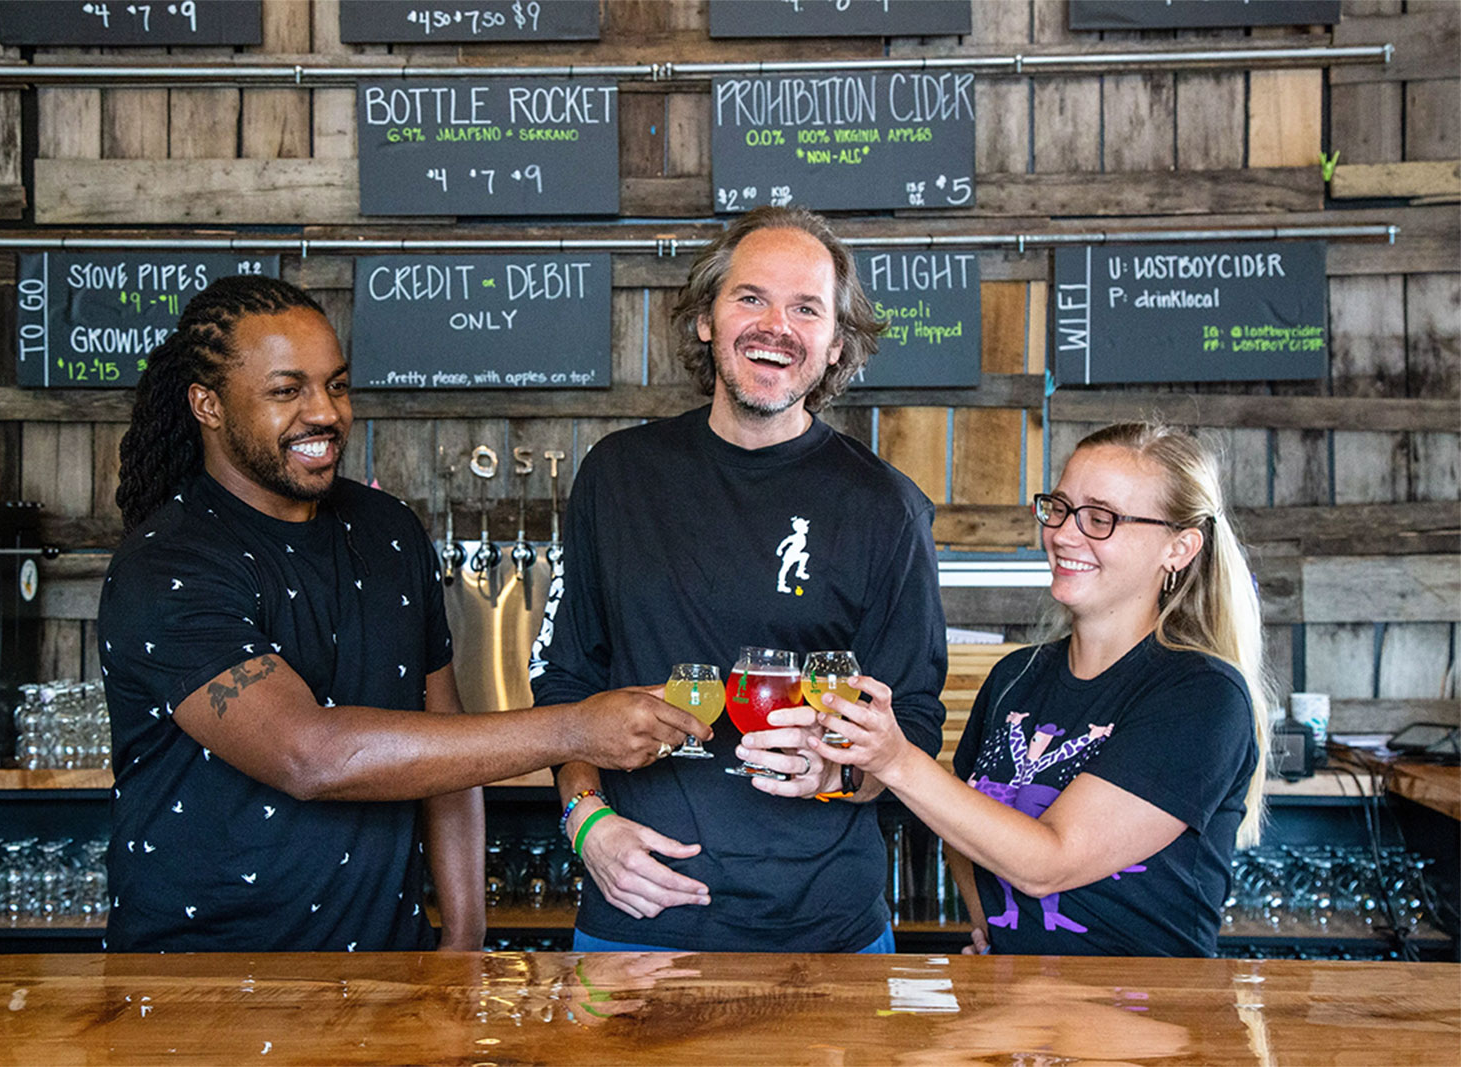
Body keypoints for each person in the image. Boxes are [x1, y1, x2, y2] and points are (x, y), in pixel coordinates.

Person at [99, 275, 703, 953]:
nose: (323, 412)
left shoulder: (386, 531)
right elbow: (310, 753)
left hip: (389, 974)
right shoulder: (169, 564)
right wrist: (571, 729)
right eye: (286, 390)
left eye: (336, 385)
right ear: (206, 404)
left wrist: (465, 940)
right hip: (198, 989)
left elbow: (444, 750)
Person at [530, 206, 948, 953]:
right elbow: (567, 682)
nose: (774, 325)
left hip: (828, 932)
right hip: (638, 916)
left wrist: (840, 772)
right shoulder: (617, 476)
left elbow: (912, 721)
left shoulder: (887, 508)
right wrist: (586, 821)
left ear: (836, 346)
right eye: (751, 297)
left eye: (805, 308)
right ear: (706, 320)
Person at [778, 423, 1271, 956]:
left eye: (1100, 518)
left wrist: (896, 761)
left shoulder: (1201, 696)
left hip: (1147, 1019)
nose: (1063, 534)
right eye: (1059, 507)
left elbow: (1050, 862)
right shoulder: (1016, 677)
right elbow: (961, 825)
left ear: (1179, 547)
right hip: (1023, 1016)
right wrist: (996, 927)